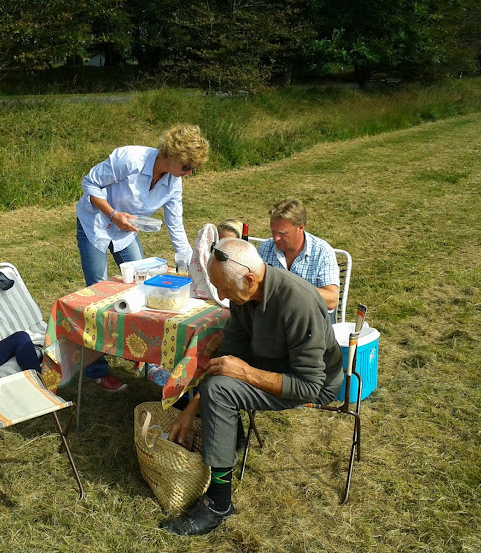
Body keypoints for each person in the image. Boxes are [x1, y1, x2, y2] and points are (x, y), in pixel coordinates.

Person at [160, 238, 344, 536]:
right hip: (275, 366)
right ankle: (229, 437)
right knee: (218, 378)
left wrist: (245, 372)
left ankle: (219, 504)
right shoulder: (244, 294)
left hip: (313, 383)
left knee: (220, 389)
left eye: (224, 289)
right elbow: (228, 354)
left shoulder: (298, 304)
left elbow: (310, 386)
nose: (221, 295)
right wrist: (192, 407)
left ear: (249, 279)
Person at [76, 124, 210, 391]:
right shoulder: (130, 159)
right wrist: (114, 215)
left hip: (125, 232)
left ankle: (140, 354)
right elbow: (89, 183)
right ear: (171, 156)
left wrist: (187, 264)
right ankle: (98, 370)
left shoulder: (174, 182)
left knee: (143, 288)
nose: (189, 172)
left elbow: (176, 224)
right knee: (98, 294)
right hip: (97, 224)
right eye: (186, 166)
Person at [257, 197, 340, 321]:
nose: (276, 238)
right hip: (273, 325)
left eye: (283, 233)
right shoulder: (265, 248)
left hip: (312, 325)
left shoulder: (322, 252)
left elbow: (331, 299)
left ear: (301, 228)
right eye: (273, 232)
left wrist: (291, 290)